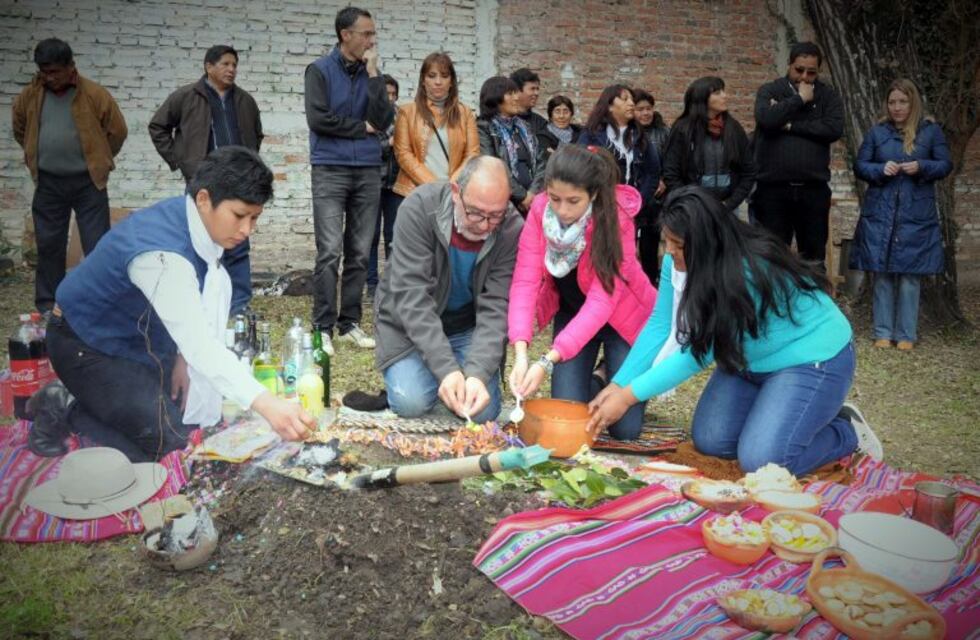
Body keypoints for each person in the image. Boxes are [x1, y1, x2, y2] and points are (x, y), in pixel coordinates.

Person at [28, 147, 314, 461]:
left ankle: (96, 402)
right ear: (204, 199)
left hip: (138, 339)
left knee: (186, 417)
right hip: (84, 344)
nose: (247, 230)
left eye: (254, 218)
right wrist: (267, 404)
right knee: (171, 445)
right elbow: (200, 343)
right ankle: (65, 405)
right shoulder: (163, 257)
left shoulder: (194, 218)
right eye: (239, 216)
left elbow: (191, 311)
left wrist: (181, 357)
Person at [587, 186, 883, 475]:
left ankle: (847, 431)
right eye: (668, 241)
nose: (670, 252)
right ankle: (783, 413)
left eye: (679, 245)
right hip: (748, 361)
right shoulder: (676, 262)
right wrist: (619, 383)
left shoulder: (744, 272)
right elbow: (660, 325)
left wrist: (627, 397)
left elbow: (696, 355)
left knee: (763, 462)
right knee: (711, 440)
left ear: (706, 242)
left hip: (809, 358)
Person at [508, 145, 657, 439]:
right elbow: (525, 280)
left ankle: (614, 373)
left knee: (624, 430)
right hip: (573, 312)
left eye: (573, 201)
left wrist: (546, 361)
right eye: (555, 199)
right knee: (569, 410)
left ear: (594, 194)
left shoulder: (617, 219)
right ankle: (602, 379)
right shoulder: (539, 211)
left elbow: (602, 302)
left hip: (621, 319)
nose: (562, 210)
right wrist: (521, 353)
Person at [373, 156, 523, 423]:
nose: (484, 225)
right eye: (475, 212)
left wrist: (477, 374)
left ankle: (447, 372)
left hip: (466, 327)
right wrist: (446, 369)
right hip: (408, 326)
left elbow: (497, 307)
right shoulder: (419, 208)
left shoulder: (511, 228)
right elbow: (412, 297)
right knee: (411, 402)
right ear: (456, 192)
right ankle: (426, 372)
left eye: (495, 215)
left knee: (483, 411)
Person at [12, 38, 128, 313]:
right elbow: (20, 128)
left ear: (70, 66)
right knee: (48, 245)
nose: (49, 77)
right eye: (44, 71)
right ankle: (47, 305)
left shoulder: (94, 94)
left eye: (55, 71)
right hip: (49, 182)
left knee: (96, 245)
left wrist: (98, 159)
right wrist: (37, 153)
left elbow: (117, 131)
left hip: (88, 182)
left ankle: (98, 303)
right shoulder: (30, 95)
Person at [304, 6, 395, 354]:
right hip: (330, 168)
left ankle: (349, 324)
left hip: (368, 169)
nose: (372, 40)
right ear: (346, 35)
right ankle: (322, 326)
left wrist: (373, 75)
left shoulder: (373, 74)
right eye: (366, 33)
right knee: (330, 251)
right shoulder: (319, 71)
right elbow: (318, 119)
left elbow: (382, 119)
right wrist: (360, 128)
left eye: (373, 33)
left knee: (359, 251)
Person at [148, 44, 264, 314]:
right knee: (197, 241)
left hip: (238, 184)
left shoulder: (245, 101)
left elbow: (256, 135)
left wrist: (247, 165)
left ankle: (239, 304)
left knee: (238, 242)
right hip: (202, 182)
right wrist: (179, 160)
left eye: (234, 65)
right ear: (208, 66)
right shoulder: (186, 96)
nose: (231, 69)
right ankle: (197, 299)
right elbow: (158, 126)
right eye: (225, 64)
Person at [850, 79, 953, 351]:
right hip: (881, 212)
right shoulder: (877, 132)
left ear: (913, 102)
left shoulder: (930, 131)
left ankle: (906, 334)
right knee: (882, 273)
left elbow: (945, 164)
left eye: (903, 102)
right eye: (892, 102)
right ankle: (882, 332)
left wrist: (922, 166)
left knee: (910, 275)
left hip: (915, 214)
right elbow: (860, 165)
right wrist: (880, 170)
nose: (897, 107)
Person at [752, 41, 844, 269]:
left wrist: (791, 125)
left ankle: (811, 294)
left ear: (818, 71)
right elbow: (766, 119)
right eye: (799, 70)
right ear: (789, 65)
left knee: (813, 261)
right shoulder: (770, 90)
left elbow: (832, 129)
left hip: (813, 190)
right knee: (772, 259)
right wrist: (799, 99)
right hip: (773, 190)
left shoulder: (828, 96)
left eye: (811, 72)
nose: (804, 77)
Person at [661, 76, 755, 212]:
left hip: (728, 208)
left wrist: (730, 203)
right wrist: (691, 203)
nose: (725, 96)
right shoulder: (684, 129)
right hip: (693, 209)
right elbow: (671, 173)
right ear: (702, 98)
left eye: (723, 91)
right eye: (717, 93)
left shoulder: (733, 128)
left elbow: (749, 170)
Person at [392, 53, 479, 198]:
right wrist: (434, 185)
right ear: (423, 80)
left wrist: (451, 184)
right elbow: (403, 154)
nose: (438, 82)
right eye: (431, 76)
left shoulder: (465, 113)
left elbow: (472, 154)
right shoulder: (407, 112)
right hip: (414, 193)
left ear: (451, 81)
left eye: (444, 76)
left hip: (452, 194)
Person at [577, 85, 660, 208]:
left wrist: (640, 201)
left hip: (633, 207)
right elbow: (580, 168)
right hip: (599, 205)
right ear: (609, 106)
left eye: (632, 100)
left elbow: (652, 172)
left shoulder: (640, 136)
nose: (631, 103)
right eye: (625, 99)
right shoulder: (592, 135)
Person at [477, 76, 547, 214]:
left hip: (532, 201)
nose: (516, 98)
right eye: (510, 94)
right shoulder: (484, 127)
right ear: (495, 98)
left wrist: (532, 194)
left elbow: (541, 161)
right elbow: (493, 167)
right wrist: (521, 196)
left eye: (516, 93)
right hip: (503, 203)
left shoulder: (524, 127)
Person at [365, 74, 402, 300]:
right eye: (386, 93)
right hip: (371, 182)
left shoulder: (402, 116)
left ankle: (391, 283)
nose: (390, 98)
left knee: (393, 235)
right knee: (370, 235)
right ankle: (371, 284)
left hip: (395, 184)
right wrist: (388, 144)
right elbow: (366, 149)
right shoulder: (370, 115)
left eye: (393, 94)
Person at [633, 88, 670, 286]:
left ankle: (650, 282)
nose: (646, 113)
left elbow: (672, 161)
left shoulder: (663, 132)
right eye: (640, 109)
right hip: (631, 196)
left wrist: (664, 180)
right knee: (628, 243)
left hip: (655, 198)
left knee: (650, 244)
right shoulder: (627, 133)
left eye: (649, 108)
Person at [510, 68, 549, 140]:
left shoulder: (541, 123)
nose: (536, 93)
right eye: (532, 89)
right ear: (517, 90)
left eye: (537, 89)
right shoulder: (503, 120)